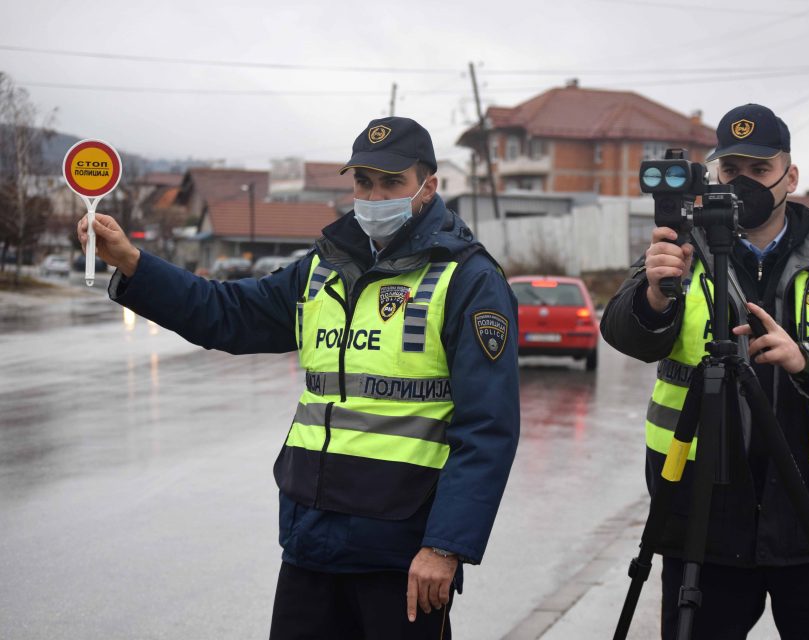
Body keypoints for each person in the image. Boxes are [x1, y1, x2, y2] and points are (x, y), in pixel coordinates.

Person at [78, 116, 521, 639]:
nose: (374, 196)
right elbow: (229, 313)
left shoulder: (467, 279)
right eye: (363, 182)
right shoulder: (322, 267)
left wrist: (445, 547)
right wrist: (133, 263)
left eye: (391, 182)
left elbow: (487, 429)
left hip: (401, 556)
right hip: (312, 542)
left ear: (429, 186)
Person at [600, 104, 809, 639]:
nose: (744, 184)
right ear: (714, 174)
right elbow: (624, 333)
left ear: (790, 176)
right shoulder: (679, 250)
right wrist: (652, 293)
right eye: (731, 171)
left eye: (760, 171)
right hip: (702, 523)